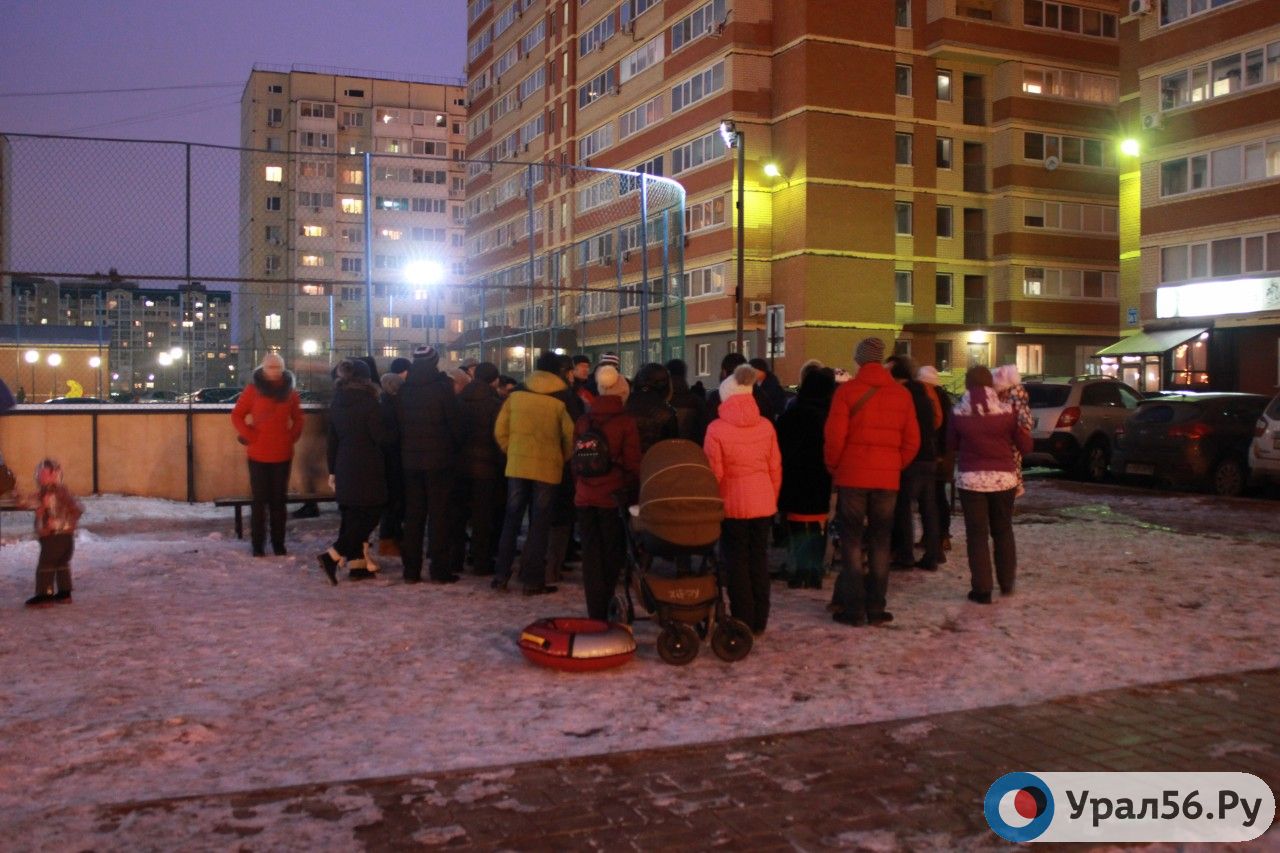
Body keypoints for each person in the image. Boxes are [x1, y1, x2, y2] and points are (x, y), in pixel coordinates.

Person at [823, 336, 919, 626]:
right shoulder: (902, 395)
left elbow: (834, 437)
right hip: (887, 480)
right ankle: (876, 607)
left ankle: (853, 608)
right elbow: (912, 441)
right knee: (880, 540)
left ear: (859, 359)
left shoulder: (847, 392)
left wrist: (835, 467)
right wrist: (893, 465)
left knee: (851, 540)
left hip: (852, 476)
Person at [704, 364, 783, 636]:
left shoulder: (716, 429)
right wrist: (770, 497)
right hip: (762, 502)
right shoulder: (766, 426)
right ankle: (760, 617)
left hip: (732, 504)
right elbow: (775, 468)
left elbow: (714, 473)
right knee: (758, 559)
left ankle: (743, 618)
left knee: (736, 562)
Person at [492, 350, 575, 595]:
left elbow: (500, 430)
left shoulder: (516, 394)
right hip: (547, 469)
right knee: (539, 524)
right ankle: (531, 580)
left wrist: (513, 451)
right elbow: (570, 437)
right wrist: (561, 457)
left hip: (517, 466)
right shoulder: (562, 398)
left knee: (512, 520)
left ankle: (501, 576)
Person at [948, 365, 1033, 605]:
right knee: (1003, 530)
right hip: (1003, 479)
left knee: (977, 535)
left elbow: (951, 443)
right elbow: (1025, 445)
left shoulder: (958, 412)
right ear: (991, 384)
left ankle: (982, 589)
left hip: (971, 480)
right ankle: (1006, 582)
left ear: (967, 384)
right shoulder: (1007, 411)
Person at [573, 364, 640, 620]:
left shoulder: (583, 420)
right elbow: (633, 463)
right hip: (612, 497)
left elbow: (575, 461)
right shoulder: (626, 422)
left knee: (591, 554)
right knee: (611, 551)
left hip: (584, 496)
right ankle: (608, 598)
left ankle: (595, 611)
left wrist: (580, 487)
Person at [317, 359, 389, 584]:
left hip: (344, 463)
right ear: (366, 379)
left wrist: (332, 470)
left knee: (352, 515)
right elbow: (380, 436)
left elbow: (332, 439)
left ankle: (357, 565)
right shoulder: (370, 402)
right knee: (372, 511)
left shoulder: (338, 401)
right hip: (367, 464)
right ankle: (333, 555)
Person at [397, 345, 463, 584]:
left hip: (410, 462)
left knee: (414, 516)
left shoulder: (404, 390)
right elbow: (455, 425)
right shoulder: (442, 389)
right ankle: (439, 569)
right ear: (434, 363)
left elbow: (400, 426)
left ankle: (411, 570)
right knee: (439, 516)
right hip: (439, 461)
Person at [230, 353, 304, 557]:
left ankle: (278, 543)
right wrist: (249, 434)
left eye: (278, 367)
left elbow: (298, 418)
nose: (274, 371)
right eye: (271, 367)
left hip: (282, 453)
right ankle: (258, 544)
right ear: (263, 368)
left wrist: (290, 437)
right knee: (260, 501)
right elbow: (237, 415)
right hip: (258, 454)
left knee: (279, 501)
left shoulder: (290, 392)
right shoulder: (253, 390)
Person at [776, 367, 836, 589]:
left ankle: (801, 571)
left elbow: (780, 445)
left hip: (794, 476)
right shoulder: (830, 416)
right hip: (821, 476)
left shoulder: (791, 414)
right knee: (819, 526)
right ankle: (814, 572)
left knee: (799, 526)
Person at [886, 355, 943, 572]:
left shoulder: (903, 396)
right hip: (929, 457)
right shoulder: (925, 396)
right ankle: (933, 554)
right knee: (929, 507)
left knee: (903, 507)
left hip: (912, 458)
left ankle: (905, 554)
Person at [455, 362, 506, 576]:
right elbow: (499, 437)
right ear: (494, 380)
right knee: (482, 517)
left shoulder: (459, 400)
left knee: (458, 515)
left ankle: (455, 560)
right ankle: (481, 561)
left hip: (460, 466)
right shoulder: (496, 404)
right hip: (487, 467)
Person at [545, 354, 586, 585]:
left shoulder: (523, 392)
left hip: (525, 463)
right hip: (560, 463)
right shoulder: (568, 398)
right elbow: (575, 432)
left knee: (537, 517)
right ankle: (552, 568)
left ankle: (536, 566)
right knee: (560, 517)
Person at [25, 459, 83, 607]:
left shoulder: (50, 494)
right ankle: (65, 593)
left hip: (54, 536)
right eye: (39, 474)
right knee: (62, 563)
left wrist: (45, 515)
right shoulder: (63, 492)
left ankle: (45, 596)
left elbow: (49, 507)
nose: (39, 477)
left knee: (46, 565)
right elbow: (77, 508)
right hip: (67, 538)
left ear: (53, 475)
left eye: (43, 474)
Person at [917, 365, 954, 553]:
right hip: (943, 456)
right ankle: (940, 536)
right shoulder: (944, 399)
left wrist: (938, 454)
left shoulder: (932, 399)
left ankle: (940, 536)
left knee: (934, 498)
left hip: (937, 455)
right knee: (937, 497)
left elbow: (938, 427)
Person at [377, 357, 412, 556]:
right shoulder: (394, 406)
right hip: (395, 460)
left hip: (388, 461)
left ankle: (391, 538)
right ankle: (389, 540)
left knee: (392, 502)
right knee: (394, 502)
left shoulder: (382, 403)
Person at [992, 364, 1033, 498]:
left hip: (1008, 450)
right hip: (1004, 451)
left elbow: (1023, 424)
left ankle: (1014, 488)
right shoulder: (1013, 398)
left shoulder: (1012, 398)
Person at [625, 362, 679, 454]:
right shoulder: (668, 412)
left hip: (627, 463)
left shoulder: (624, 404)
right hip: (657, 463)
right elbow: (672, 448)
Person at [666, 358, 708, 445]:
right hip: (692, 451)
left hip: (665, 452)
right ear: (684, 374)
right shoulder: (696, 401)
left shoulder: (662, 402)